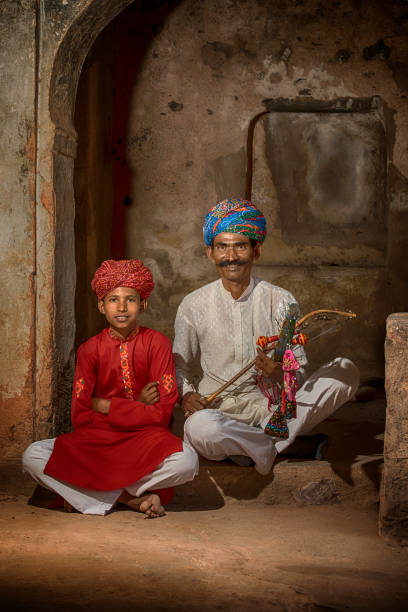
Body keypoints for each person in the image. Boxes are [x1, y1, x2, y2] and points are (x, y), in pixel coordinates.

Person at [173, 198, 360, 475]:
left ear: (256, 250)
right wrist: (187, 395)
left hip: (273, 409)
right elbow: (180, 365)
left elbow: (299, 369)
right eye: (222, 246)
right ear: (210, 253)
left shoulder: (281, 300)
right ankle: (284, 445)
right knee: (200, 429)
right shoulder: (193, 304)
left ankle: (249, 449)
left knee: (346, 371)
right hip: (219, 411)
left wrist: (279, 372)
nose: (231, 255)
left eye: (240, 245)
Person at [23, 259, 198, 517]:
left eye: (131, 299)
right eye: (113, 299)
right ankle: (131, 499)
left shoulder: (157, 344)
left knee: (187, 462)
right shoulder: (89, 349)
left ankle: (88, 495)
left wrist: (103, 404)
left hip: (146, 440)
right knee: (32, 455)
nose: (122, 307)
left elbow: (161, 414)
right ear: (101, 306)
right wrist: (138, 406)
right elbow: (80, 417)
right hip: (97, 440)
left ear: (143, 304)